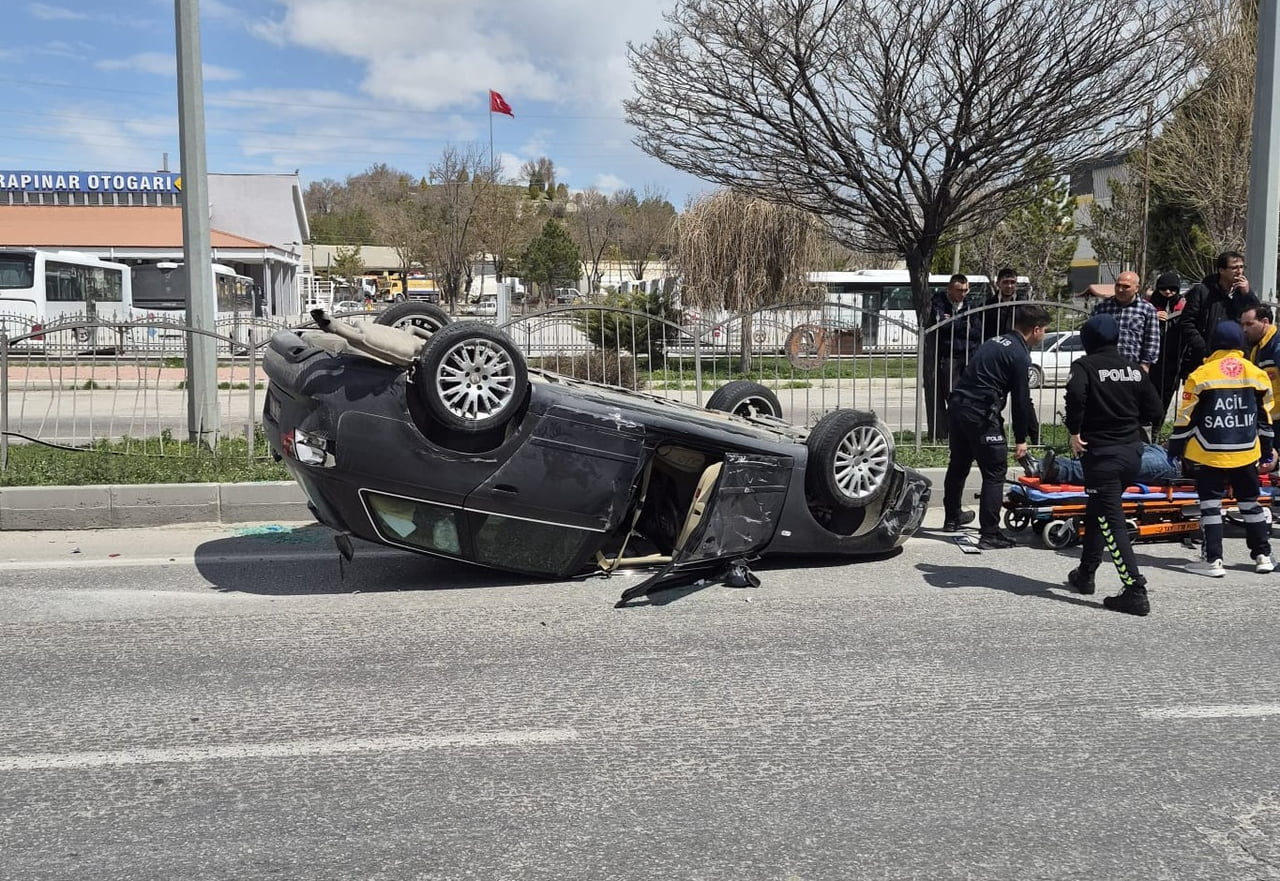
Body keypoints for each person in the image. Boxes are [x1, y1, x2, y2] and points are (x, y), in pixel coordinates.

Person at [1061, 314, 1165, 615]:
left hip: (1102, 455)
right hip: (1131, 453)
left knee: (1111, 519)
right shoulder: (1133, 369)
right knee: (1098, 510)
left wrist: (1075, 431)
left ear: (1087, 340)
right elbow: (1156, 410)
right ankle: (1086, 573)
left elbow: (1076, 395)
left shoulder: (1084, 366)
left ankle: (1135, 589)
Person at [1168, 321, 1275, 578]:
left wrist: (1175, 448)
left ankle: (1213, 560)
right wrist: (1267, 449)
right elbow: (1265, 418)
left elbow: (1185, 418)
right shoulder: (1256, 374)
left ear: (1214, 343)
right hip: (1247, 452)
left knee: (1211, 505)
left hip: (1209, 453)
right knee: (1250, 503)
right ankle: (1263, 556)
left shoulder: (1201, 375)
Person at [941, 303, 1050, 548]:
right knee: (995, 471)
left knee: (959, 463)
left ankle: (952, 518)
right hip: (980, 415)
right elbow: (1021, 401)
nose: (1043, 336)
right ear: (1035, 329)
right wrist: (1021, 439)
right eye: (1044, 331)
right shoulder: (1019, 355)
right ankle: (990, 534)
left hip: (958, 408)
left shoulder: (995, 342)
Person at [1178, 250, 1259, 381]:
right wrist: (1203, 348)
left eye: (1241, 267)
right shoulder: (1203, 291)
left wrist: (1247, 294)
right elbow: (1187, 322)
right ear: (1221, 270)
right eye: (1234, 268)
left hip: (1237, 358)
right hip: (1206, 358)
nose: (1239, 271)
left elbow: (1257, 316)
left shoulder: (1243, 293)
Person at [926, 274, 982, 441]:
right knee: (952, 396)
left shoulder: (970, 305)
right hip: (950, 356)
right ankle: (951, 432)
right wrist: (964, 325)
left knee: (970, 396)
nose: (962, 294)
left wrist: (955, 323)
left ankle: (966, 431)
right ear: (949, 289)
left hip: (969, 355)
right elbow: (943, 327)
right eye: (959, 290)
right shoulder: (939, 303)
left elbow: (977, 332)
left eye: (965, 290)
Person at [1090, 270, 1161, 371]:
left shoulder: (1147, 309)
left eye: (1126, 286)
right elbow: (1091, 335)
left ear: (1137, 288)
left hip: (1133, 368)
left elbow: (1152, 339)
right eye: (1117, 285)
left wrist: (1145, 364)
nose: (1120, 290)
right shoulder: (1101, 308)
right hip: (1104, 367)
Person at [1027, 442, 1180, 485]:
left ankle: (1058, 470)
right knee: (1106, 453)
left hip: (1175, 463)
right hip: (1163, 450)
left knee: (1109, 466)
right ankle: (1040, 465)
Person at [1147, 271, 1186, 420]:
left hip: (1173, 360)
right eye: (1164, 289)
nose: (1168, 292)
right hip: (1151, 360)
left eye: (1172, 289)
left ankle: (1157, 427)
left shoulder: (1183, 305)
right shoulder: (1149, 305)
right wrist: (1153, 316)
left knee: (1166, 396)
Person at [1241, 303, 1280, 438]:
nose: (1244, 329)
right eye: (1242, 325)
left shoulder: (1276, 346)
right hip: (1267, 422)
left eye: (1249, 324)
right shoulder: (1257, 347)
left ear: (1265, 322)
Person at [982, 267, 1027, 340]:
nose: (1009, 286)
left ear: (1016, 284)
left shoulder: (1024, 305)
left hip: (1017, 344)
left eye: (1012, 282)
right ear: (998, 284)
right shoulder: (988, 306)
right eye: (1005, 282)